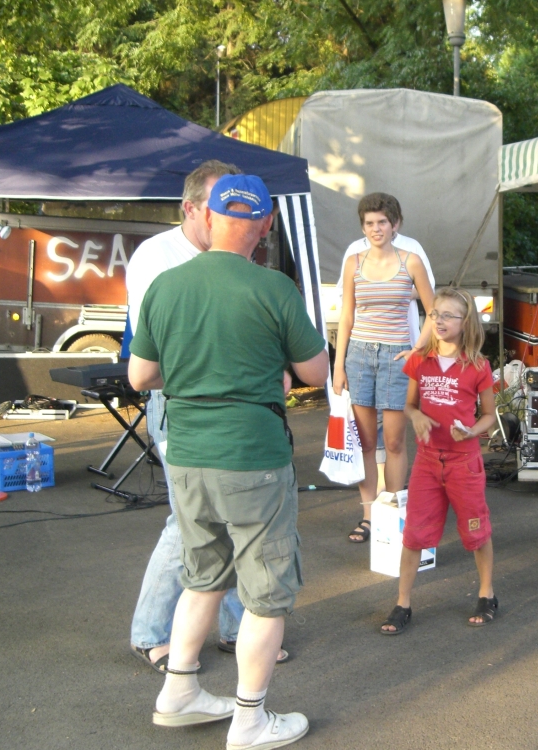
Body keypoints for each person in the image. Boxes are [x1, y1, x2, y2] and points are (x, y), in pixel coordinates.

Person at [129, 174, 329, 747]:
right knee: (266, 595)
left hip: (187, 453)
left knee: (202, 578)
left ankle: (179, 693)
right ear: (266, 225)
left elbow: (141, 376)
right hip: (252, 456)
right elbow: (315, 371)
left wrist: (194, 376)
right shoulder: (274, 287)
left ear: (209, 217)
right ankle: (250, 719)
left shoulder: (167, 284)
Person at [126, 159, 280, 673]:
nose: (231, 215)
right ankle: (150, 633)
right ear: (193, 209)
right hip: (180, 406)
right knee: (191, 521)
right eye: (220, 204)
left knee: (227, 516)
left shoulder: (237, 261)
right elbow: (152, 361)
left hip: (230, 409)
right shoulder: (158, 257)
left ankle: (237, 630)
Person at [379, 288, 498, 634]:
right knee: (414, 534)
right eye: (435, 314)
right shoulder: (420, 360)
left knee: (476, 531)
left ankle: (487, 594)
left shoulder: (478, 365)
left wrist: (472, 430)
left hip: (464, 462)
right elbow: (409, 405)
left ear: (466, 322)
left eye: (448, 315)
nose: (439, 321)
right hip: (428, 462)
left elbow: (489, 415)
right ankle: (402, 603)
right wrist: (415, 415)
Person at [332, 193, 435, 545]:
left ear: (395, 225)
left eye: (382, 222)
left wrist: (416, 350)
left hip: (395, 357)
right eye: (369, 223)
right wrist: (338, 366)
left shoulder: (411, 261)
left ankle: (393, 513)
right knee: (365, 442)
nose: (376, 229)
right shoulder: (353, 262)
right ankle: (368, 516)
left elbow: (434, 311)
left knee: (393, 442)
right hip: (359, 356)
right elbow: (346, 316)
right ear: (363, 227)